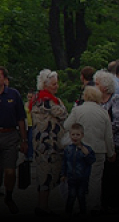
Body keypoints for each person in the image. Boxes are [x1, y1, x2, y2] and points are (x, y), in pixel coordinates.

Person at [62, 85, 114, 211]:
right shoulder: (103, 112)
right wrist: (111, 152)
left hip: (80, 148)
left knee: (77, 177)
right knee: (95, 179)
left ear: (85, 96)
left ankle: (77, 205)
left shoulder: (77, 110)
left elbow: (67, 125)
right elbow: (108, 136)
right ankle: (93, 206)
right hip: (98, 150)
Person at [27, 69, 66, 216]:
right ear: (45, 85)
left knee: (43, 172)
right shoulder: (46, 101)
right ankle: (43, 206)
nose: (57, 86)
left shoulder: (37, 99)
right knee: (47, 173)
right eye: (54, 84)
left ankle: (42, 204)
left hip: (41, 142)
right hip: (48, 143)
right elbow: (63, 114)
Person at [94, 70, 119, 214]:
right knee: (105, 177)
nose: (94, 86)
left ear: (104, 86)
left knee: (118, 176)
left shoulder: (116, 99)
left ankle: (117, 204)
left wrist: (103, 132)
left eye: (97, 84)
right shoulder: (96, 101)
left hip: (118, 144)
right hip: (103, 145)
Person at [0, 66, 27, 214]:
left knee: (10, 171)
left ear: (4, 78)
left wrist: (24, 140)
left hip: (10, 135)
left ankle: (9, 197)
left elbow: (20, 118)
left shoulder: (13, 94)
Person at [62, 123, 97, 215]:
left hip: (82, 178)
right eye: (73, 134)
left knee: (81, 196)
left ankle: (83, 212)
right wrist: (63, 174)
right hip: (71, 178)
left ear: (82, 135)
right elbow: (64, 163)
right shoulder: (68, 149)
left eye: (78, 135)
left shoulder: (87, 149)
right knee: (71, 196)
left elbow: (92, 161)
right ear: (70, 135)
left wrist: (87, 154)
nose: (75, 137)